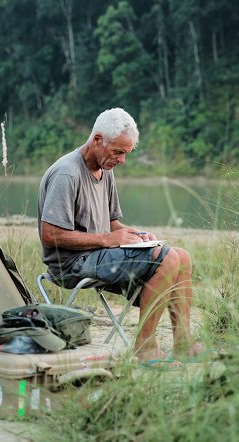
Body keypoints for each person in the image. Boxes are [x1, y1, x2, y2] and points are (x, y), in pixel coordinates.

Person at [37, 108, 202, 364]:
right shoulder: (66, 173)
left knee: (183, 257)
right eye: (118, 152)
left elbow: (111, 223)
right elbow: (50, 235)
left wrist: (135, 234)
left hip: (98, 255)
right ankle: (145, 348)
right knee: (167, 259)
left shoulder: (106, 170)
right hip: (70, 264)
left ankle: (183, 343)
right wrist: (107, 240)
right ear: (97, 140)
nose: (122, 160)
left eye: (126, 153)